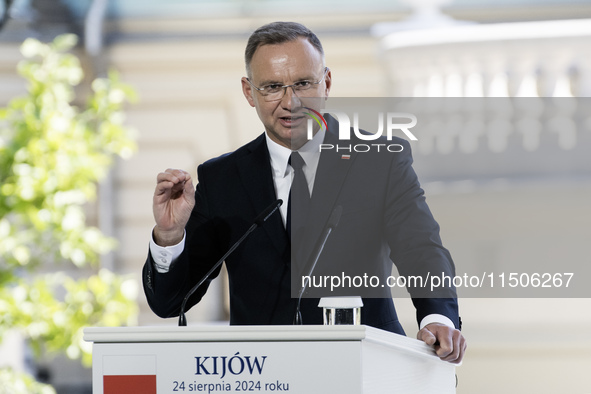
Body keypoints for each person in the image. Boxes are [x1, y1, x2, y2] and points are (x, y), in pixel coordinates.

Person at [143, 21, 466, 363]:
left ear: (325, 83)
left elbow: (421, 249)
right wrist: (169, 235)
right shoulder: (221, 178)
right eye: (271, 87)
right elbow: (170, 303)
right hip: (261, 375)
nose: (290, 101)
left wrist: (437, 317)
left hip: (366, 365)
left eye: (302, 83)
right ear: (249, 92)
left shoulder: (380, 161)